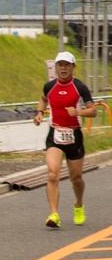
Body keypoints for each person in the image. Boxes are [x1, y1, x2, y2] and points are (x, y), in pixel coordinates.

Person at [33, 51, 96, 228]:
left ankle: (78, 204)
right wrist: (39, 113)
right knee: (53, 174)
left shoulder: (80, 87)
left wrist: (79, 112)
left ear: (73, 67)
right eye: (60, 65)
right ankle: (54, 214)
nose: (63, 68)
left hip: (74, 136)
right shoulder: (49, 86)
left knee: (76, 178)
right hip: (55, 135)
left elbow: (93, 110)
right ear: (56, 67)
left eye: (66, 65)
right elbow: (43, 99)